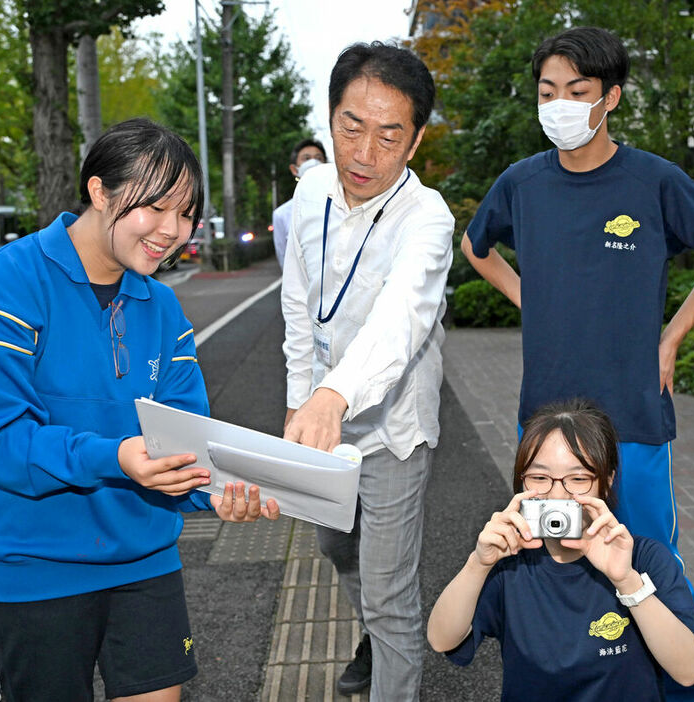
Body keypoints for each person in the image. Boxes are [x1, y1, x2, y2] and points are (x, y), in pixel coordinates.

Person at [0, 118, 279, 702]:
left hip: (144, 560)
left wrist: (216, 489)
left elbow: (182, 439)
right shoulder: (3, 284)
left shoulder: (163, 309)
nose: (173, 231)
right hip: (29, 568)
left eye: (186, 212)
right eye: (156, 208)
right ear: (100, 191)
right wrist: (114, 457)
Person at [460, 27, 694, 700]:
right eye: (547, 92)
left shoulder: (653, 180)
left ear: (611, 97)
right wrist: (532, 296)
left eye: (577, 92)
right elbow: (477, 246)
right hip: (549, 431)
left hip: (635, 417)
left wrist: (671, 336)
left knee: (646, 564)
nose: (559, 104)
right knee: (546, 563)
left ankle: (686, 689)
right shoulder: (522, 183)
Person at [281, 42, 454, 700]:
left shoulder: (427, 217)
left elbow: (402, 321)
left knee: (389, 595)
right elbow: (299, 305)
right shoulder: (310, 190)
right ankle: (375, 635)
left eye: (389, 136)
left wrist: (333, 396)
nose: (363, 154)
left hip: (392, 429)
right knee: (332, 549)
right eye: (351, 127)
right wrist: (304, 401)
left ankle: (389, 649)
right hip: (324, 420)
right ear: (330, 118)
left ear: (414, 143)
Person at [428, 399, 694, 702]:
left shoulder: (643, 559)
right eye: (539, 477)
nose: (558, 494)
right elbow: (442, 639)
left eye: (578, 479)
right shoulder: (509, 563)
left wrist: (627, 581)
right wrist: (477, 564)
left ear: (607, 480)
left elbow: (688, 671)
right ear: (521, 480)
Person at [273, 138, 327, 268]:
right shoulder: (282, 214)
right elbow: (283, 258)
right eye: (306, 158)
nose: (313, 162)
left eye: (318, 158)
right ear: (294, 169)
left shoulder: (343, 205)